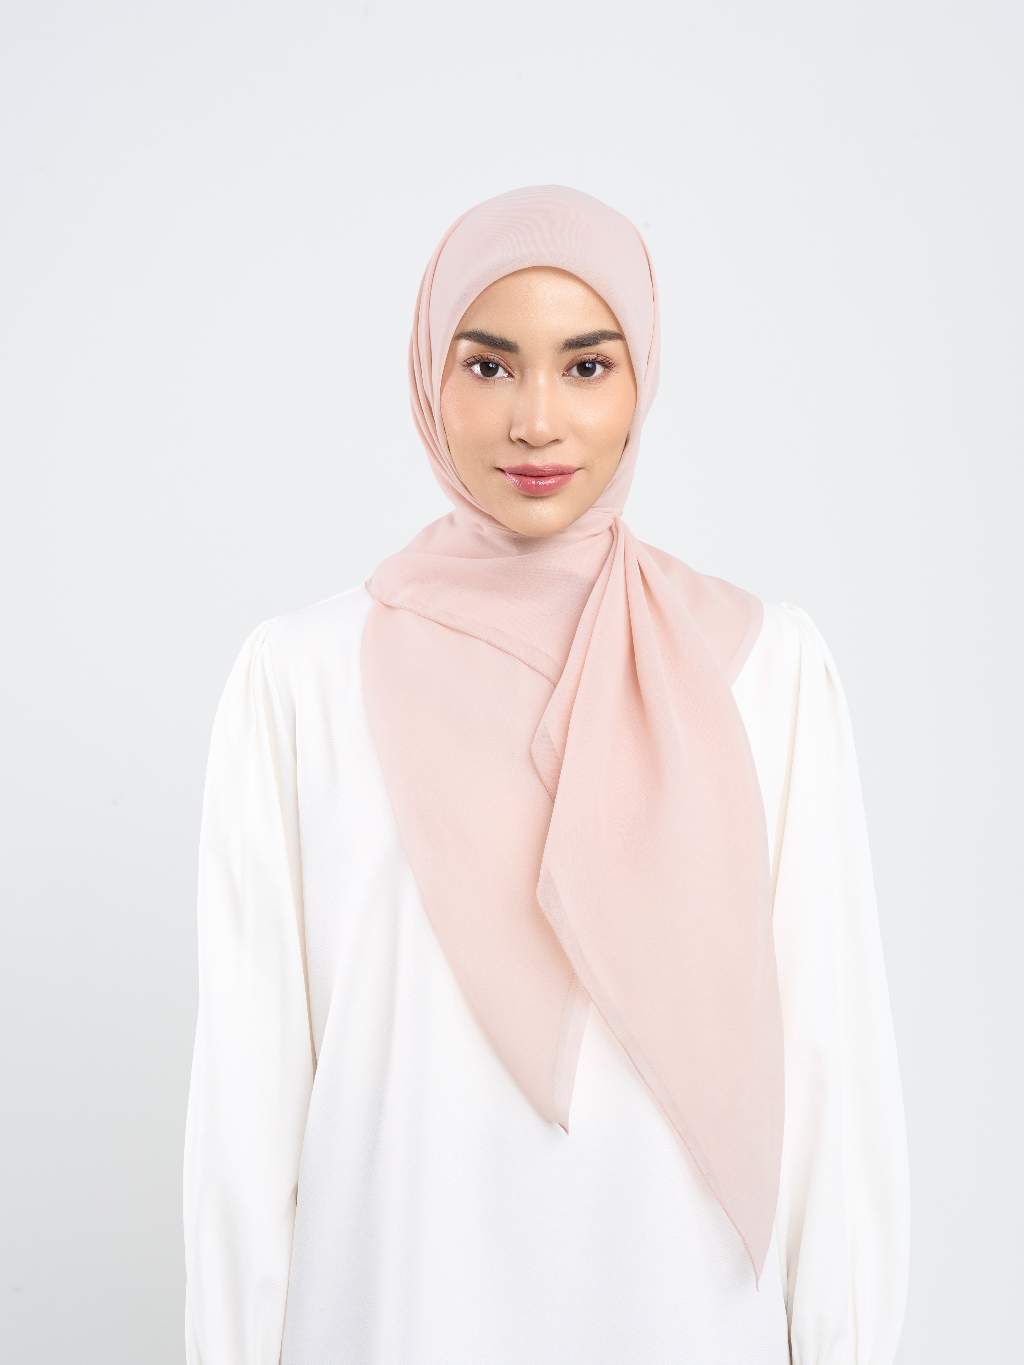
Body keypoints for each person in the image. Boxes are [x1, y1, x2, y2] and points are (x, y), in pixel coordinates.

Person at [183, 184, 910, 1364]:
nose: (535, 420)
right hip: (395, 1315)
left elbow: (833, 1071)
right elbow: (247, 1103)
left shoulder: (763, 670)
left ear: (641, 381)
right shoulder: (301, 678)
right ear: (429, 379)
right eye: (488, 366)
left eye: (585, 367)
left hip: (684, 1317)